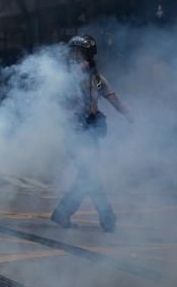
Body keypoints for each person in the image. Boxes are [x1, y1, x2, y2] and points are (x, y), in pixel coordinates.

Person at [50, 35, 133, 233]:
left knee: (87, 176)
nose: (78, 58)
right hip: (75, 133)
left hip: (91, 133)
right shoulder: (66, 79)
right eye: (75, 54)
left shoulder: (96, 79)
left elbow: (113, 98)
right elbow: (62, 103)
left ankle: (62, 214)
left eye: (81, 53)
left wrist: (128, 115)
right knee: (90, 175)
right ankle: (107, 219)